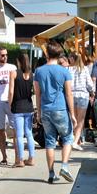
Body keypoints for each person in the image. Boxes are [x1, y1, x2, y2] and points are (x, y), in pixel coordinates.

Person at [34, 41, 76, 184]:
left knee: (50, 142)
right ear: (59, 55)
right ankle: (64, 165)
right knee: (68, 138)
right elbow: (69, 94)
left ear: (47, 54)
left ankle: (51, 173)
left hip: (46, 109)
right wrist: (73, 114)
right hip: (60, 108)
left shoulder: (39, 71)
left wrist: (38, 112)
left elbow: (37, 94)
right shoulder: (64, 71)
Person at [8, 53, 36, 167]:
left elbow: (11, 91)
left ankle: (20, 160)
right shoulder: (31, 74)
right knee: (29, 134)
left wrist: (10, 104)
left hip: (18, 106)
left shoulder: (14, 73)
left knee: (19, 135)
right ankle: (31, 158)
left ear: (18, 62)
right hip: (28, 106)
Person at [68, 51, 95, 149]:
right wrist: (92, 92)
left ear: (72, 59)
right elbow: (90, 84)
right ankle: (76, 141)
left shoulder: (68, 69)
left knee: (73, 119)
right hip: (83, 95)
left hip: (71, 95)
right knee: (80, 120)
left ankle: (73, 139)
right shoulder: (85, 69)